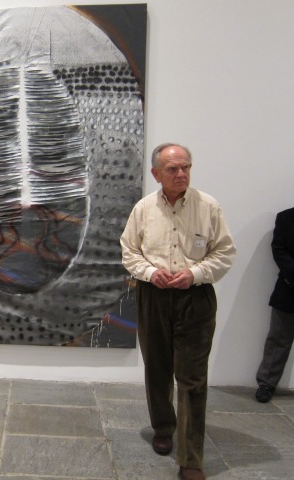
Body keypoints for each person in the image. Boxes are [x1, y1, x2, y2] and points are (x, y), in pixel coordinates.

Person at [120, 143, 236, 480]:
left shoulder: (208, 207)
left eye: (185, 167)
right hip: (153, 296)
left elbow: (224, 252)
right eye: (172, 169)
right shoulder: (143, 209)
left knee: (192, 379)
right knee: (157, 369)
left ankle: (191, 457)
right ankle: (163, 427)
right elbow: (129, 252)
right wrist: (149, 272)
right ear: (156, 173)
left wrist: (194, 274)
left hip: (195, 299)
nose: (181, 173)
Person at [255, 207, 294, 403]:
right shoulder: (286, 217)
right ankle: (267, 383)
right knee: (278, 338)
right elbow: (278, 249)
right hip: (289, 288)